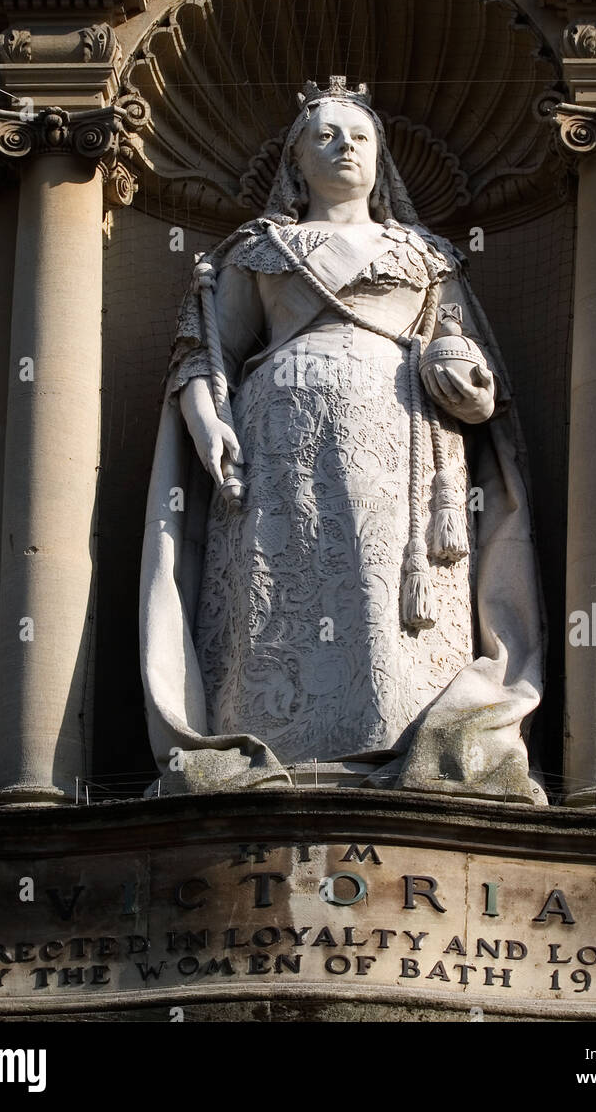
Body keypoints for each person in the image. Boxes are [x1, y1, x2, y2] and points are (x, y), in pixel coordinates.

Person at [139, 78, 547, 801]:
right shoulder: (261, 249)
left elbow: (471, 365)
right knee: (282, 595)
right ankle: (275, 750)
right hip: (279, 445)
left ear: (380, 155)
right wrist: (208, 425)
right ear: (295, 161)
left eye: (359, 135)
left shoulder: (426, 254)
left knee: (391, 601)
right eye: (324, 135)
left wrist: (466, 383)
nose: (344, 146)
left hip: (407, 442)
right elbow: (205, 354)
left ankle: (403, 749)